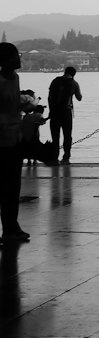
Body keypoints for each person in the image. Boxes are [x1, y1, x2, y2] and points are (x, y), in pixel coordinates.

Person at [0, 42, 31, 244]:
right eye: (14, 56)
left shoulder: (16, 78)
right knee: (5, 185)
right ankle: (9, 227)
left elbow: (13, 106)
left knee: (14, 185)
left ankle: (12, 226)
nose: (18, 59)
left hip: (15, 137)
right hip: (1, 139)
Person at [47, 66, 82, 163]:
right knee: (67, 135)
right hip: (66, 112)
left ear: (64, 72)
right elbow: (79, 98)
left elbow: (49, 97)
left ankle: (54, 158)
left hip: (54, 112)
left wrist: (51, 110)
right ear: (74, 74)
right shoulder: (74, 83)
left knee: (55, 136)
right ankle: (66, 158)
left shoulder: (55, 81)